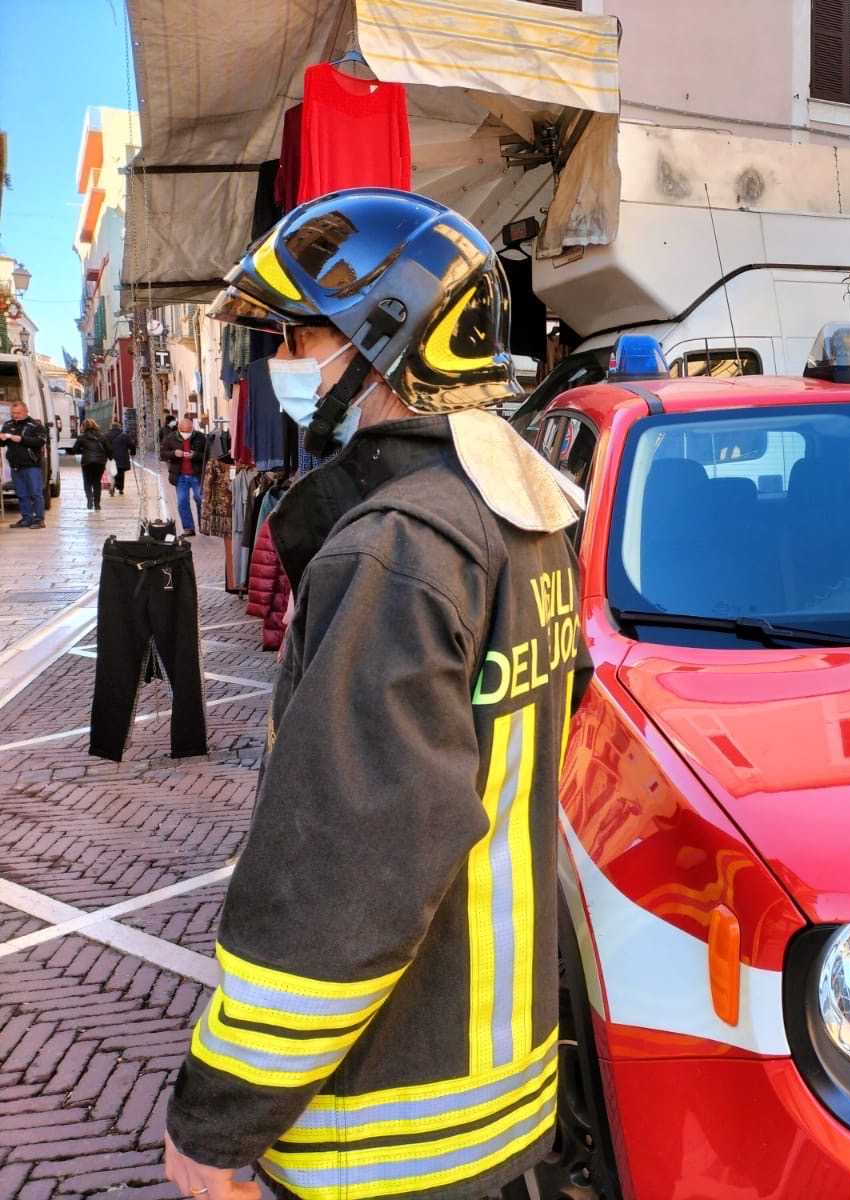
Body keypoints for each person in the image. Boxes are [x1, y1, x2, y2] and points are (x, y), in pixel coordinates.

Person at [162, 188, 590, 1200]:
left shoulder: (398, 551)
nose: (282, 362)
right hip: (493, 1083)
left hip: (390, 1119)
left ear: (382, 341)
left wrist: (218, 1118)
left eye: (300, 335)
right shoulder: (522, 520)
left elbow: (343, 874)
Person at [2, 400, 48, 529]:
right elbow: (3, 444)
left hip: (31, 465)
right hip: (15, 465)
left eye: (18, 413)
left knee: (36, 493)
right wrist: (2, 438)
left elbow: (40, 441)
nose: (15, 415)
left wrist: (22, 439)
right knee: (21, 494)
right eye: (13, 413)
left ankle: (39, 519)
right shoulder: (8, 425)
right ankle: (26, 518)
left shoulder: (35, 425)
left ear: (26, 411)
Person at [161, 415, 209, 536]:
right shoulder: (170, 438)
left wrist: (195, 455)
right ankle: (188, 528)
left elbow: (207, 455)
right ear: (179, 428)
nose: (186, 434)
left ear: (192, 428)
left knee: (200, 499)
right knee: (182, 502)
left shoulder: (200, 437)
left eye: (189, 431)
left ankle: (203, 526)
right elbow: (163, 454)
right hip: (180, 476)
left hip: (197, 475)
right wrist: (173, 453)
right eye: (184, 431)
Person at [67, 418, 112, 510]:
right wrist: (110, 457)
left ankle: (89, 499)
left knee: (87, 482)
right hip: (100, 462)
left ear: (84, 427)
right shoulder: (102, 436)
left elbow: (74, 450)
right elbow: (109, 449)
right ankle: (97, 504)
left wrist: (83, 450)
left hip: (87, 462)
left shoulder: (81, 437)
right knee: (97, 482)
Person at [108, 421, 135, 496]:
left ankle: (112, 486)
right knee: (121, 473)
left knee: (112, 473)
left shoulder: (107, 435)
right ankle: (120, 489)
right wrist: (133, 453)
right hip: (122, 458)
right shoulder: (125, 436)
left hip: (111, 457)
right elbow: (132, 445)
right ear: (119, 427)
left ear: (111, 427)